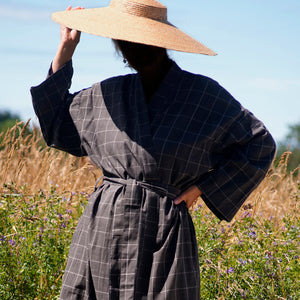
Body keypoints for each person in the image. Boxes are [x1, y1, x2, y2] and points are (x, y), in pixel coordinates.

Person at [30, 0, 276, 299]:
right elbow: (56, 123)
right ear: (118, 45)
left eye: (140, 39)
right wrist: (65, 49)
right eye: (125, 40)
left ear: (161, 43)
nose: (132, 47)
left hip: (164, 228)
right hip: (104, 226)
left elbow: (259, 144)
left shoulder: (204, 96)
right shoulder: (106, 94)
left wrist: (203, 188)